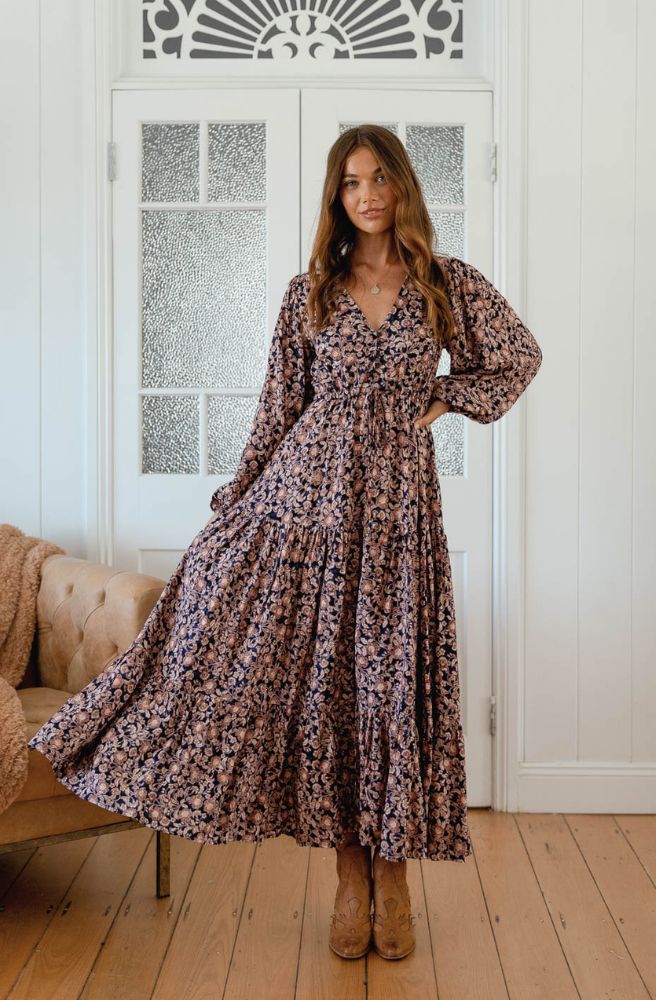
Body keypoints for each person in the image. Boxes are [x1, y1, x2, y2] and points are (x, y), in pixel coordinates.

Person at [28, 124, 542, 963]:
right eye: (351, 182)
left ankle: (394, 875)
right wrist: (233, 504)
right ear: (336, 196)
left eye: (379, 179)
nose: (367, 195)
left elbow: (518, 358)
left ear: (403, 186)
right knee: (332, 694)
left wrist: (447, 396)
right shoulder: (312, 291)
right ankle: (348, 876)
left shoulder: (446, 284)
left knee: (390, 690)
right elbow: (278, 410)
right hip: (306, 509)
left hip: (400, 521)